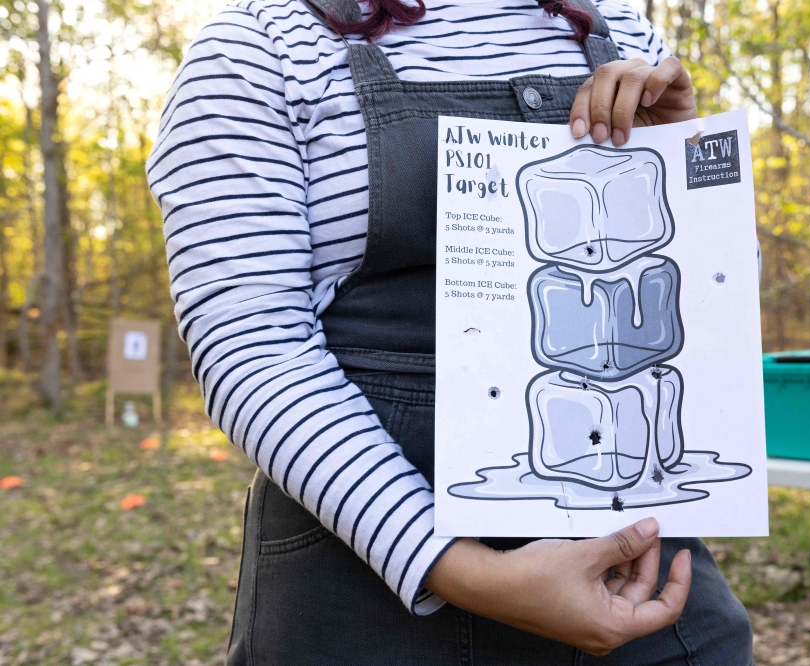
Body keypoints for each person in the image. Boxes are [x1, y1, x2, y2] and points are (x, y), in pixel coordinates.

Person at [148, 0, 754, 662]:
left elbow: (714, 304)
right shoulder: (257, 49)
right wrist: (463, 571)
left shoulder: (617, 30)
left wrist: (686, 161)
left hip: (632, 578)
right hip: (363, 588)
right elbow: (253, 349)